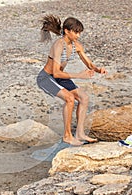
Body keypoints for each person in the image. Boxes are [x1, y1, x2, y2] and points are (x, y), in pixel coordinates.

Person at [37, 15, 107, 146]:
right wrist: (80, 76)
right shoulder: (59, 45)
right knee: (69, 99)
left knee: (83, 98)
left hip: (60, 78)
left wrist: (98, 69)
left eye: (80, 32)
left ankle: (79, 133)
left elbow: (89, 64)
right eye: (76, 32)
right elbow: (56, 72)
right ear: (67, 31)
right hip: (46, 78)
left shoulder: (76, 45)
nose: (78, 35)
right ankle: (67, 136)